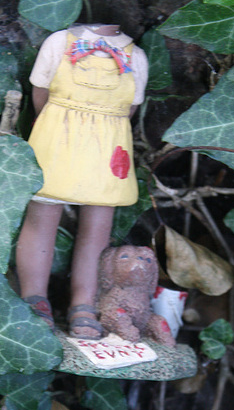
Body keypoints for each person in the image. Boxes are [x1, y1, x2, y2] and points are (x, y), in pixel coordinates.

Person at [16, 23, 148, 339]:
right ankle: (34, 298)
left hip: (108, 144)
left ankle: (84, 304)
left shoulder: (137, 56)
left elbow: (129, 106)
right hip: (58, 135)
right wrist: (56, 125)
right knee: (42, 217)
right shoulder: (59, 42)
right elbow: (41, 93)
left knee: (98, 225)